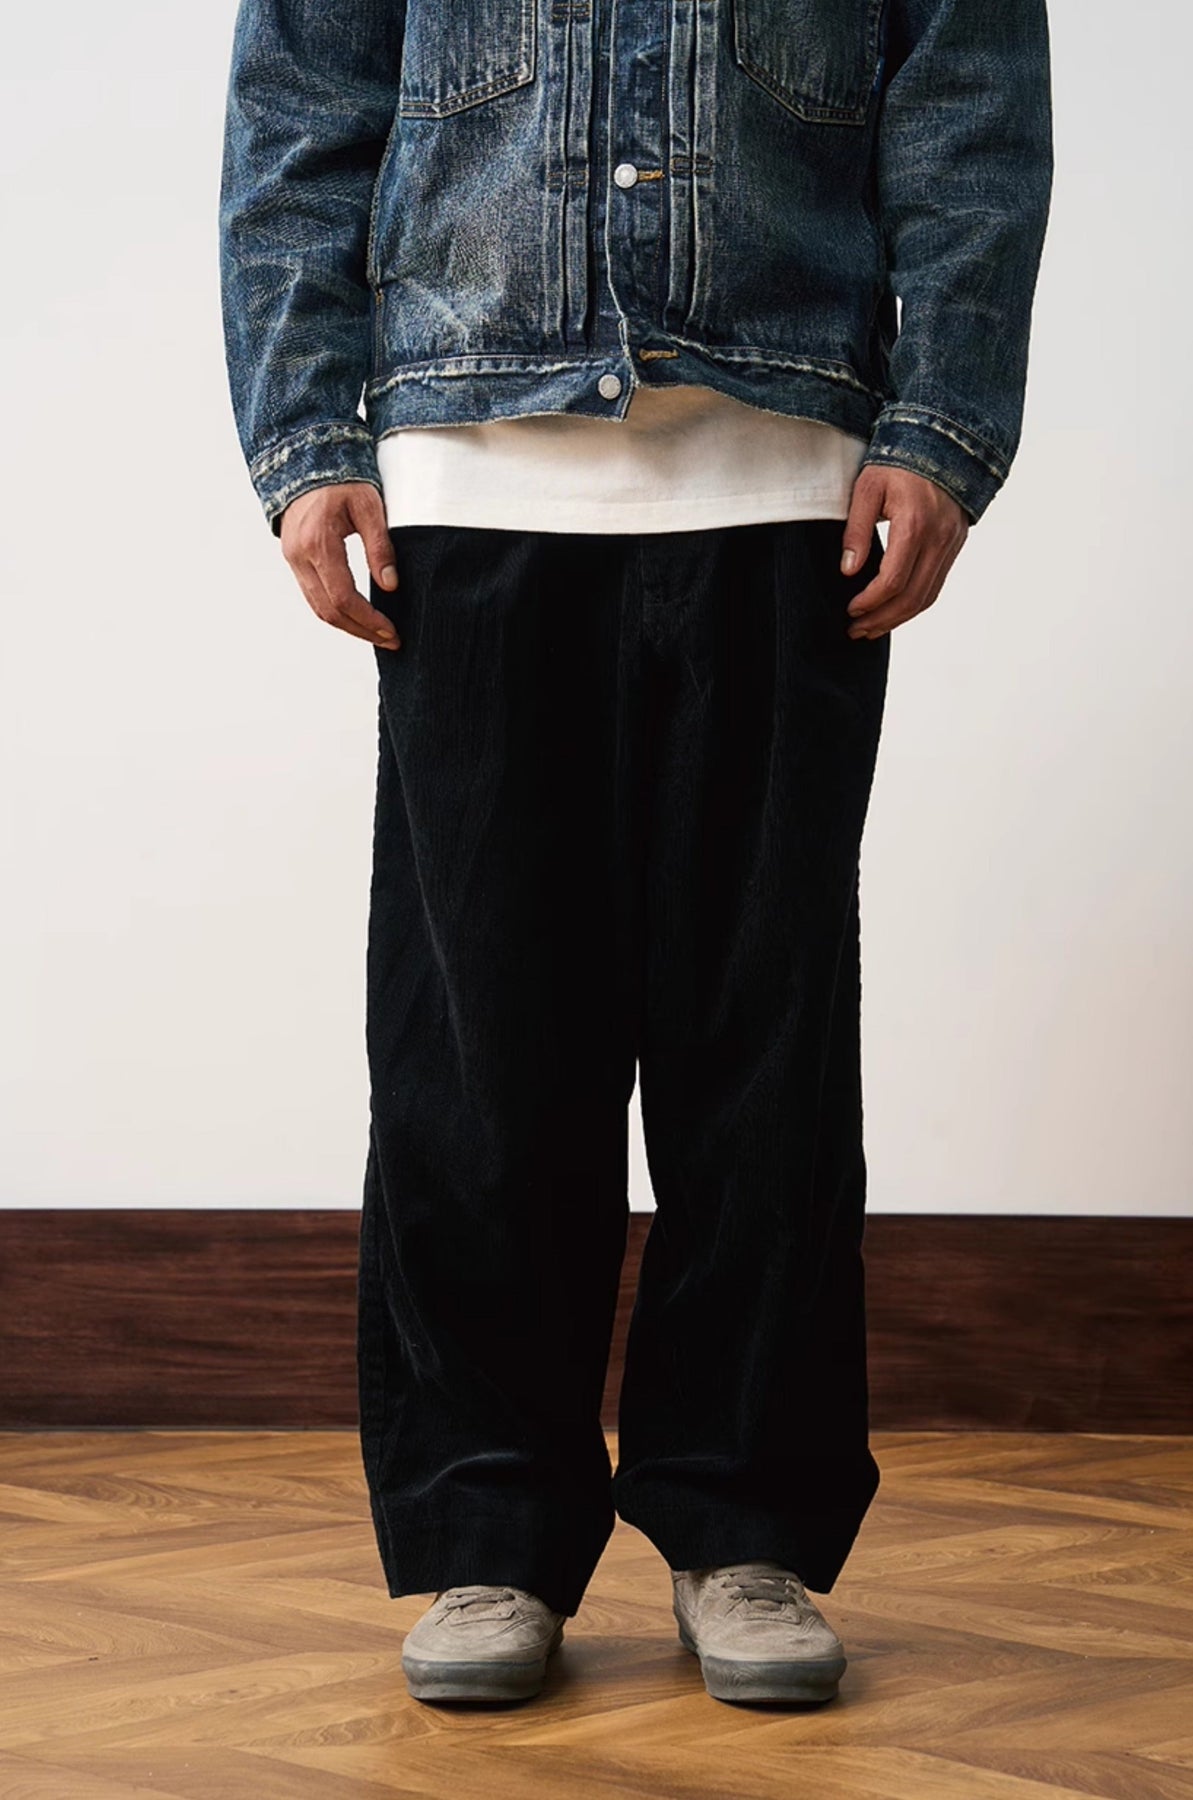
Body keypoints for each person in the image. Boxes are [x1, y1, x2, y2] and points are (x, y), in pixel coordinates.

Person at [219, 0, 1053, 1708]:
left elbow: (968, 112)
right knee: (476, 1067)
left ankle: (742, 1521)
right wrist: (304, 441)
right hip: (467, 493)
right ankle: (485, 1533)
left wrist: (942, 425)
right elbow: (298, 119)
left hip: (788, 489)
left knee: (762, 1061)